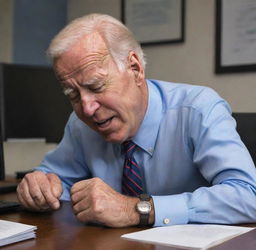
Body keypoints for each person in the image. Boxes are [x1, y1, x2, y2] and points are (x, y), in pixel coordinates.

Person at [17, 13, 256, 228]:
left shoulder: (199, 109)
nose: (87, 108)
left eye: (96, 86)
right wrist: (40, 187)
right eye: (72, 94)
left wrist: (136, 210)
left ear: (135, 68)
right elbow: (59, 182)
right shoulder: (80, 124)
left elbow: (248, 197)